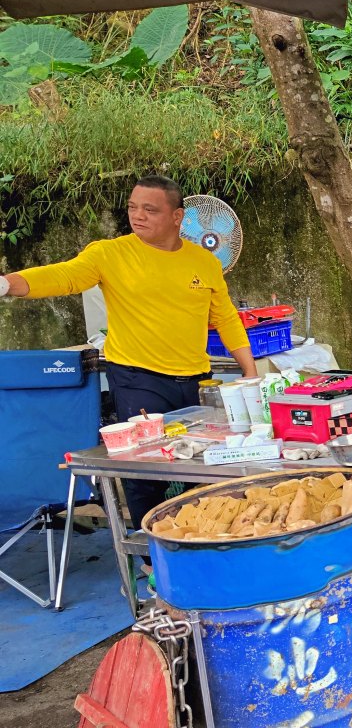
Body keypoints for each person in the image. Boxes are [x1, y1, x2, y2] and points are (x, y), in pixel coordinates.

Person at [0, 175, 256, 531]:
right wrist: (8, 284)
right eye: (133, 207)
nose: (139, 216)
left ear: (178, 216)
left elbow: (225, 317)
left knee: (204, 467)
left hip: (196, 380)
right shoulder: (110, 253)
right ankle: (151, 558)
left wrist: (250, 372)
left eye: (150, 210)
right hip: (138, 378)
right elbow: (65, 276)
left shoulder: (205, 262)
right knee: (145, 472)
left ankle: (200, 543)